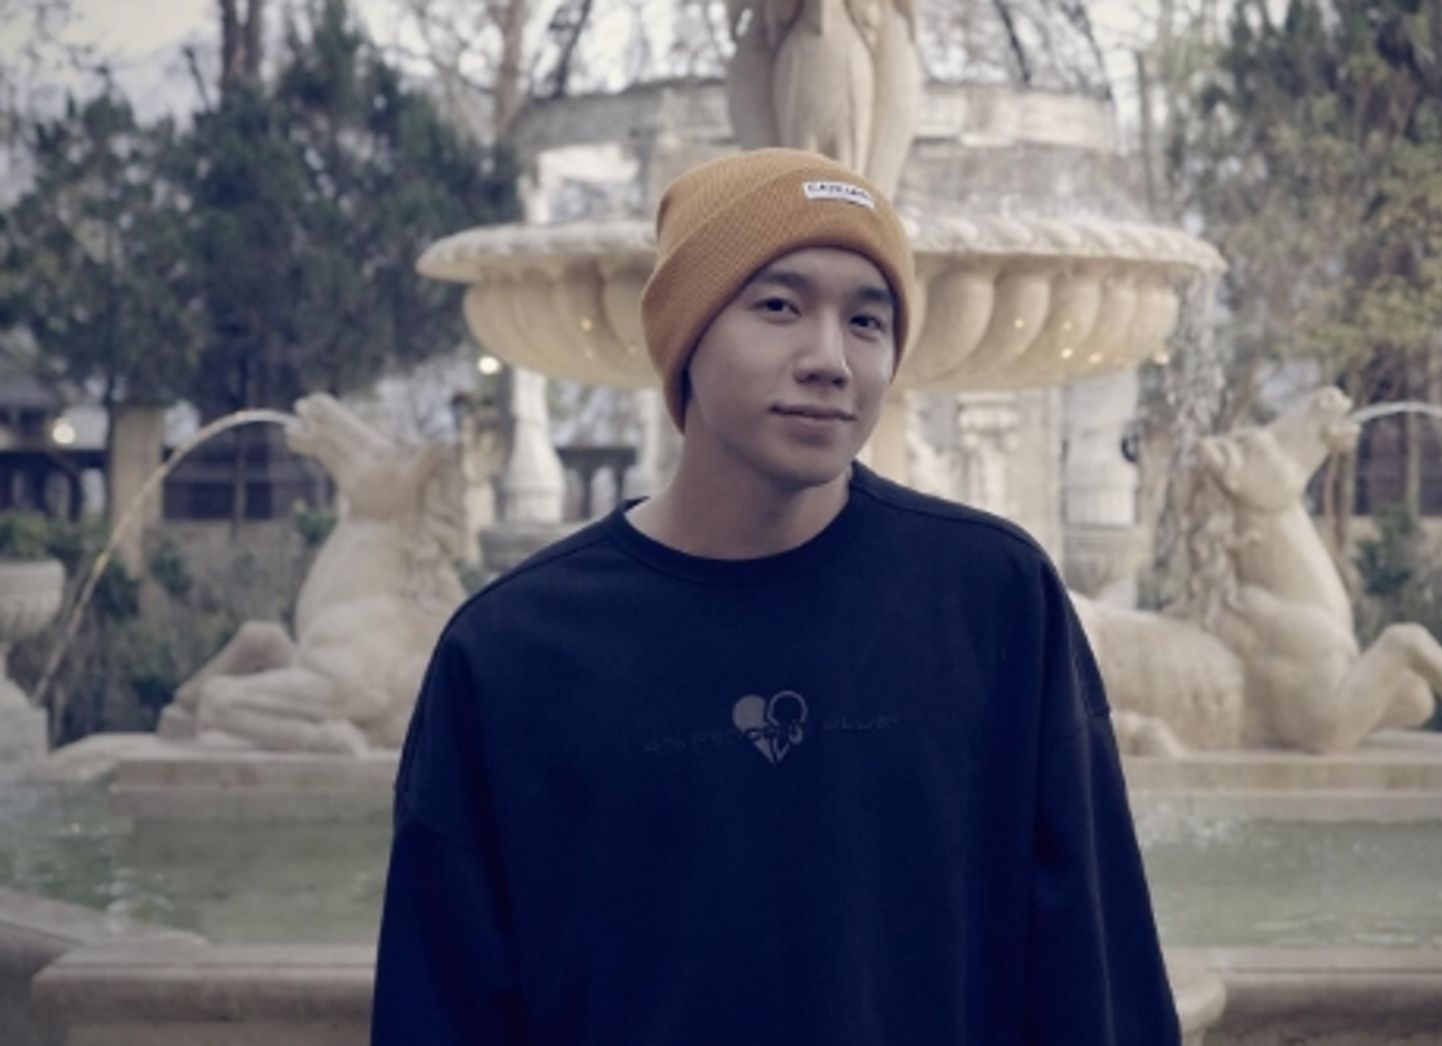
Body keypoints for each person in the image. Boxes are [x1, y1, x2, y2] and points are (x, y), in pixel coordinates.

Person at [371, 148, 1179, 1045]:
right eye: (779, 307)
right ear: (686, 332)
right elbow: (441, 1000)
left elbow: (1096, 973)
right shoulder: (511, 651)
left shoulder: (992, 600)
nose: (829, 359)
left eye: (867, 321)